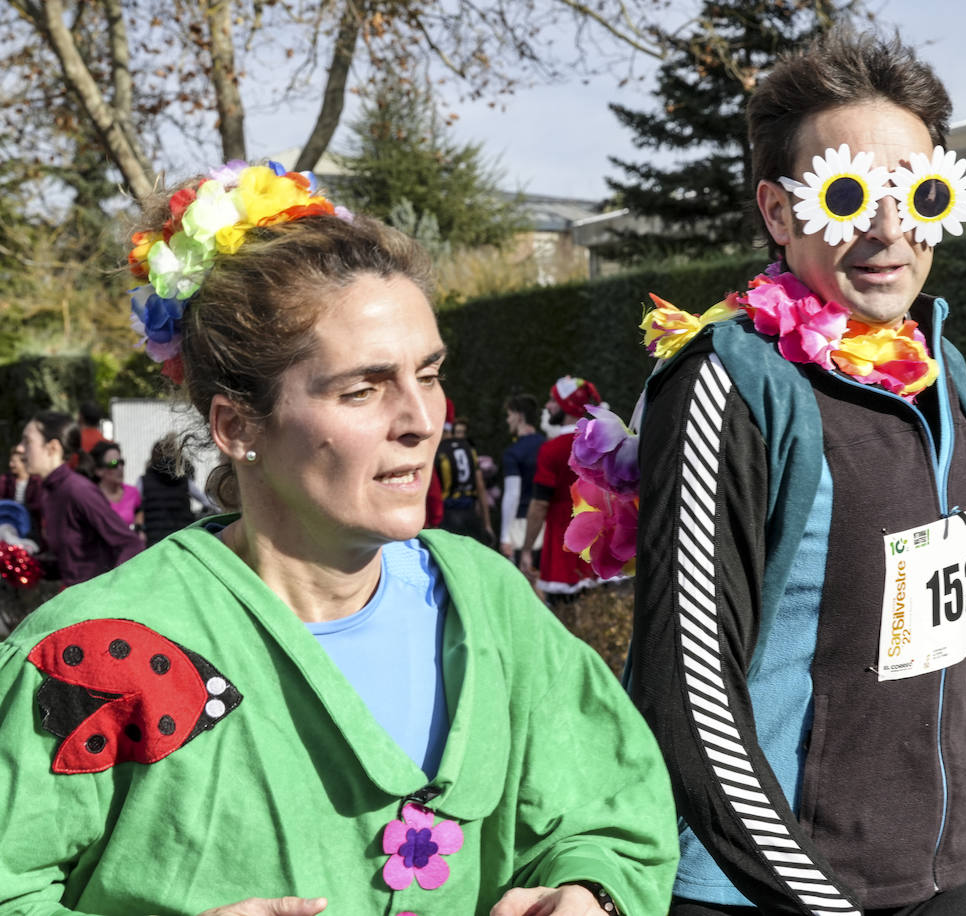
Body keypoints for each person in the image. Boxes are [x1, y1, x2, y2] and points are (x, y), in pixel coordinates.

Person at [0, 161, 676, 916]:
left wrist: (588, 894)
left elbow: (608, 813)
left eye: (430, 373)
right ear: (237, 426)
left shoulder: (489, 603)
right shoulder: (90, 649)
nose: (422, 420)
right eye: (363, 389)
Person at [629, 29, 966, 916]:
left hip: (933, 874)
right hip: (759, 889)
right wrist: (814, 897)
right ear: (778, 213)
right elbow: (683, 696)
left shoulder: (939, 365)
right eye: (848, 195)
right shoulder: (727, 379)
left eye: (915, 193)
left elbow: (899, 623)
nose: (889, 230)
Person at [16, 412, 143, 587]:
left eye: (27, 441)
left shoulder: (78, 490)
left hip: (94, 606)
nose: (20, 449)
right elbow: (71, 563)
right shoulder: (48, 492)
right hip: (71, 600)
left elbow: (130, 544)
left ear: (52, 448)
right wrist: (25, 564)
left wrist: (108, 593)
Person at [520, 377, 602, 599]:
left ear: (567, 406)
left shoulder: (551, 449)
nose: (547, 406)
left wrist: (527, 548)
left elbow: (539, 504)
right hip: (601, 545)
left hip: (563, 547)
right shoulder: (604, 443)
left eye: (552, 401)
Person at [434, 405, 493, 545]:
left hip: (448, 515)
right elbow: (480, 486)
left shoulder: (438, 450)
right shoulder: (468, 448)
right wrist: (487, 523)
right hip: (470, 513)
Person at [499, 394, 545, 561]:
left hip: (521, 525)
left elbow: (512, 494)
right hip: (549, 523)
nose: (508, 420)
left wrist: (504, 536)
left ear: (519, 415)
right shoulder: (548, 445)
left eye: (509, 415)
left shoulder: (514, 452)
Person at [139, 432, 201, 545]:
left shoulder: (143, 481)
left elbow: (135, 506)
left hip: (154, 541)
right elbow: (207, 501)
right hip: (181, 539)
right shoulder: (184, 480)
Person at [91, 440, 144, 533]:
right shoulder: (92, 497)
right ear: (99, 470)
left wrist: (139, 529)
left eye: (122, 462)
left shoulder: (132, 492)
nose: (120, 468)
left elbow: (139, 511)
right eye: (114, 464)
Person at [0, 444, 43, 541]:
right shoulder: (6, 479)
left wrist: (23, 509)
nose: (11, 465)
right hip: (10, 518)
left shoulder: (36, 480)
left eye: (14, 462)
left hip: (30, 521)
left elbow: (39, 504)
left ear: (24, 463)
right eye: (10, 461)